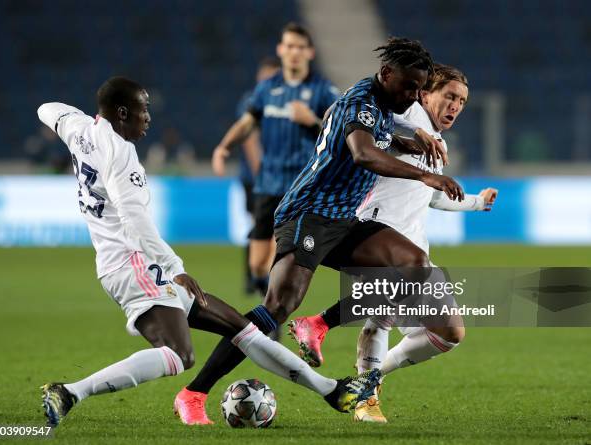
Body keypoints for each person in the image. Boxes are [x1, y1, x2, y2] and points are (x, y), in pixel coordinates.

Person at [36, 77, 380, 427]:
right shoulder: (120, 154)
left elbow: (48, 110)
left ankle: (331, 390)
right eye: (144, 110)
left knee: (243, 329)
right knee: (178, 355)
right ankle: (70, 392)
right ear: (123, 113)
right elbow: (133, 219)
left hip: (126, 263)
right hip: (135, 264)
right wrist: (174, 268)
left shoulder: (80, 129)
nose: (148, 118)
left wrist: (70, 120)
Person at [179, 37, 465, 423]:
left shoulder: (384, 104)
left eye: (419, 89)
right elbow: (364, 152)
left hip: (344, 220)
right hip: (308, 215)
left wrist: (407, 142)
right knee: (277, 308)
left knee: (414, 263)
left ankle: (321, 324)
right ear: (386, 75)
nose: (414, 96)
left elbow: (378, 139)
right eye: (409, 87)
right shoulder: (361, 103)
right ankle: (194, 393)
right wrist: (424, 176)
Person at [289, 64, 499, 422]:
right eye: (449, 96)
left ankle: (365, 378)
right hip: (375, 232)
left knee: (450, 332)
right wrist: (406, 132)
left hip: (412, 248)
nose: (455, 106)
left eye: (462, 102)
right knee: (381, 318)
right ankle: (364, 398)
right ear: (425, 94)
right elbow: (341, 116)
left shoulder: (438, 142)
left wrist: (476, 202)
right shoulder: (405, 115)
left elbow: (431, 196)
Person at [212, 22, 340, 305]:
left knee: (285, 259)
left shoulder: (323, 91)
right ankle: (270, 307)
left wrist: (314, 122)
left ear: (310, 52)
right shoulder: (267, 89)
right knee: (258, 264)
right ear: (281, 50)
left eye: (300, 47)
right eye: (290, 46)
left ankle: (272, 316)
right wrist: (224, 147)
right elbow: (247, 123)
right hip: (268, 184)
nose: (294, 52)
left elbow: (344, 133)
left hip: (302, 189)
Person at [235, 56, 281, 296]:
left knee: (264, 227)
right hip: (257, 178)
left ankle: (256, 278)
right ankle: (257, 278)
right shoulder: (252, 101)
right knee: (261, 226)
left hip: (272, 177)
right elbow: (250, 140)